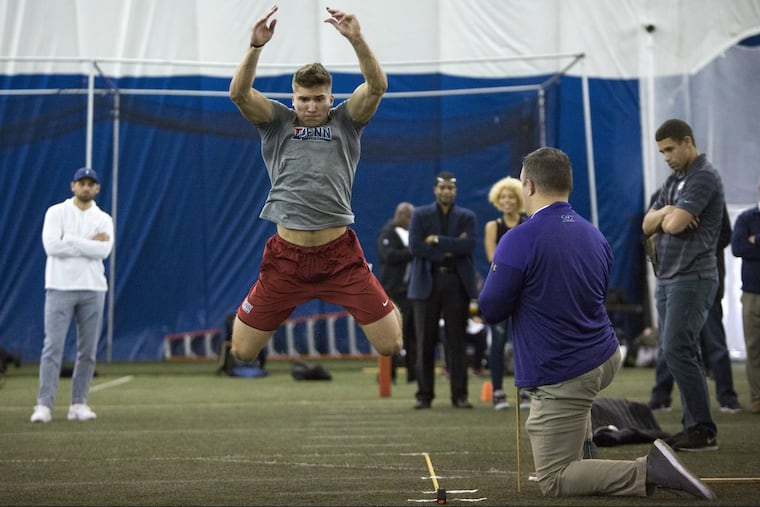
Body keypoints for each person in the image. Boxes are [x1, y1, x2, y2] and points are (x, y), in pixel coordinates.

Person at [478, 146, 714, 498]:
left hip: (564, 368)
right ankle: (586, 456)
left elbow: (491, 308)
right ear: (567, 185)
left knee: (555, 479)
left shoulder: (518, 238)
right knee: (578, 403)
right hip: (603, 354)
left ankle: (647, 470)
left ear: (528, 186)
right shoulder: (594, 235)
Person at [228, 5, 402, 364]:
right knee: (242, 352)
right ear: (293, 99)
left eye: (318, 99)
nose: (310, 106)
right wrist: (255, 46)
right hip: (286, 259)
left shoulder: (346, 122)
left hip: (338, 256)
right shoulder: (277, 121)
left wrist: (356, 39)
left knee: (391, 346)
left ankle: (379, 297)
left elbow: (377, 86)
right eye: (303, 99)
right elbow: (240, 95)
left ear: (330, 98)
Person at [642, 119, 724, 452]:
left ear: (687, 142)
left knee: (677, 349)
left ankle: (702, 430)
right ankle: (694, 427)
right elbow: (648, 223)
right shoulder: (676, 180)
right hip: (670, 276)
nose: (666, 157)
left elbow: (673, 226)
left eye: (670, 150)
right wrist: (668, 211)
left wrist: (665, 215)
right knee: (678, 351)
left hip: (693, 277)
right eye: (662, 152)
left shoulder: (703, 176)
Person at [30, 167, 114, 423]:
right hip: (59, 287)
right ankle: (44, 406)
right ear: (73, 186)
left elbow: (103, 251)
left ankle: (78, 404)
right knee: (52, 348)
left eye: (91, 183)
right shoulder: (56, 212)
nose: (86, 187)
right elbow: (51, 246)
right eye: (82, 183)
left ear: (97, 188)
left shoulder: (104, 218)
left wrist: (72, 240)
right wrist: (89, 241)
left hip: (93, 289)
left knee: (87, 351)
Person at [648, 204, 742, 413]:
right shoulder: (663, 197)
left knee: (714, 340)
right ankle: (661, 396)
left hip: (703, 282)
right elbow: (647, 232)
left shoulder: (709, 195)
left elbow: (725, 234)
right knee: (667, 343)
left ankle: (727, 397)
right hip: (671, 282)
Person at [408, 172, 479, 409]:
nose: (446, 191)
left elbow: (468, 245)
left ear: (455, 191)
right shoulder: (420, 214)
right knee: (425, 341)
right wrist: (449, 249)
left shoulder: (467, 217)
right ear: (435, 190)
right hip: (426, 284)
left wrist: (437, 240)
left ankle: (459, 395)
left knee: (456, 341)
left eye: (451, 188)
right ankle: (424, 395)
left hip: (455, 283)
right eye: (442, 187)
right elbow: (416, 246)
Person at [483, 176, 527, 410]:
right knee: (498, 343)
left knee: (525, 342)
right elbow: (493, 258)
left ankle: (527, 390)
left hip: (525, 292)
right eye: (503, 197)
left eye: (511, 196)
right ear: (497, 200)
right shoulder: (493, 226)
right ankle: (498, 391)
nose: (507, 200)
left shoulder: (528, 222)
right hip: (501, 290)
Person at [376, 202, 416, 383]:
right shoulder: (388, 233)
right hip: (393, 290)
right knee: (392, 333)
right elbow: (389, 255)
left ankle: (414, 374)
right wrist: (412, 252)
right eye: (404, 214)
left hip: (411, 291)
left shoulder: (413, 235)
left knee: (412, 334)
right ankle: (388, 374)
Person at [731, 176, 760, 414]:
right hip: (751, 294)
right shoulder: (746, 218)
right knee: (754, 347)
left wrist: (756, 240)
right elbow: (738, 247)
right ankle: (757, 397)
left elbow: (748, 246)